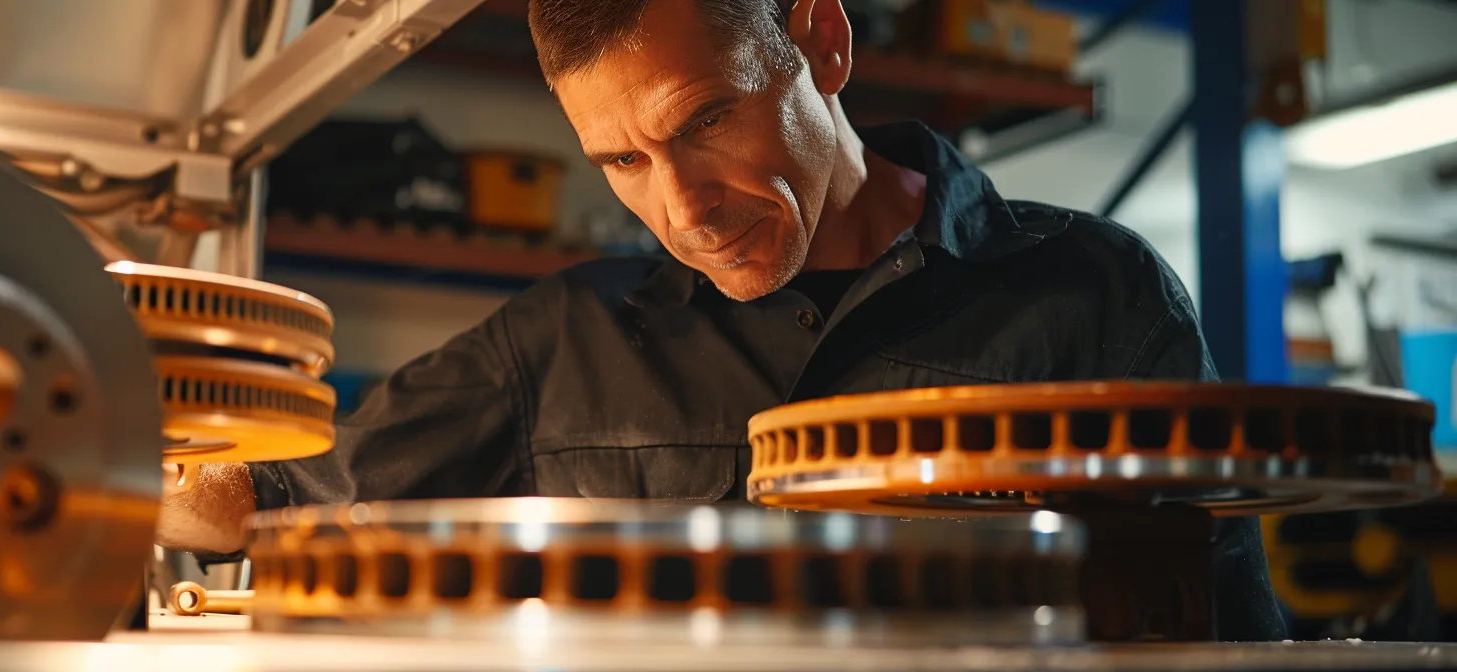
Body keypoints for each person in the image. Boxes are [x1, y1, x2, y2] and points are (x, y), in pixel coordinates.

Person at [158, 0, 1283, 641]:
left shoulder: (1090, 290)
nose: (679, 207)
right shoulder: (559, 343)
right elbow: (267, 495)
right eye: (621, 162)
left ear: (822, 45)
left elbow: (1230, 639)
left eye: (704, 122)